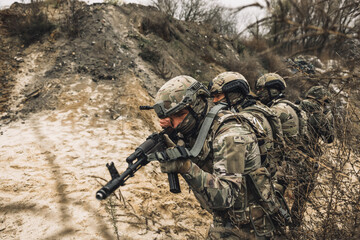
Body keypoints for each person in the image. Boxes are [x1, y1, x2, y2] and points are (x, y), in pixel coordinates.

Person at [151, 75, 279, 239]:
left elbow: (226, 197)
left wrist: (185, 167)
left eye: (179, 115)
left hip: (252, 228)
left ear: (197, 106)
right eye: (171, 117)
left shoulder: (230, 134)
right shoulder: (203, 127)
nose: (175, 123)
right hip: (227, 222)